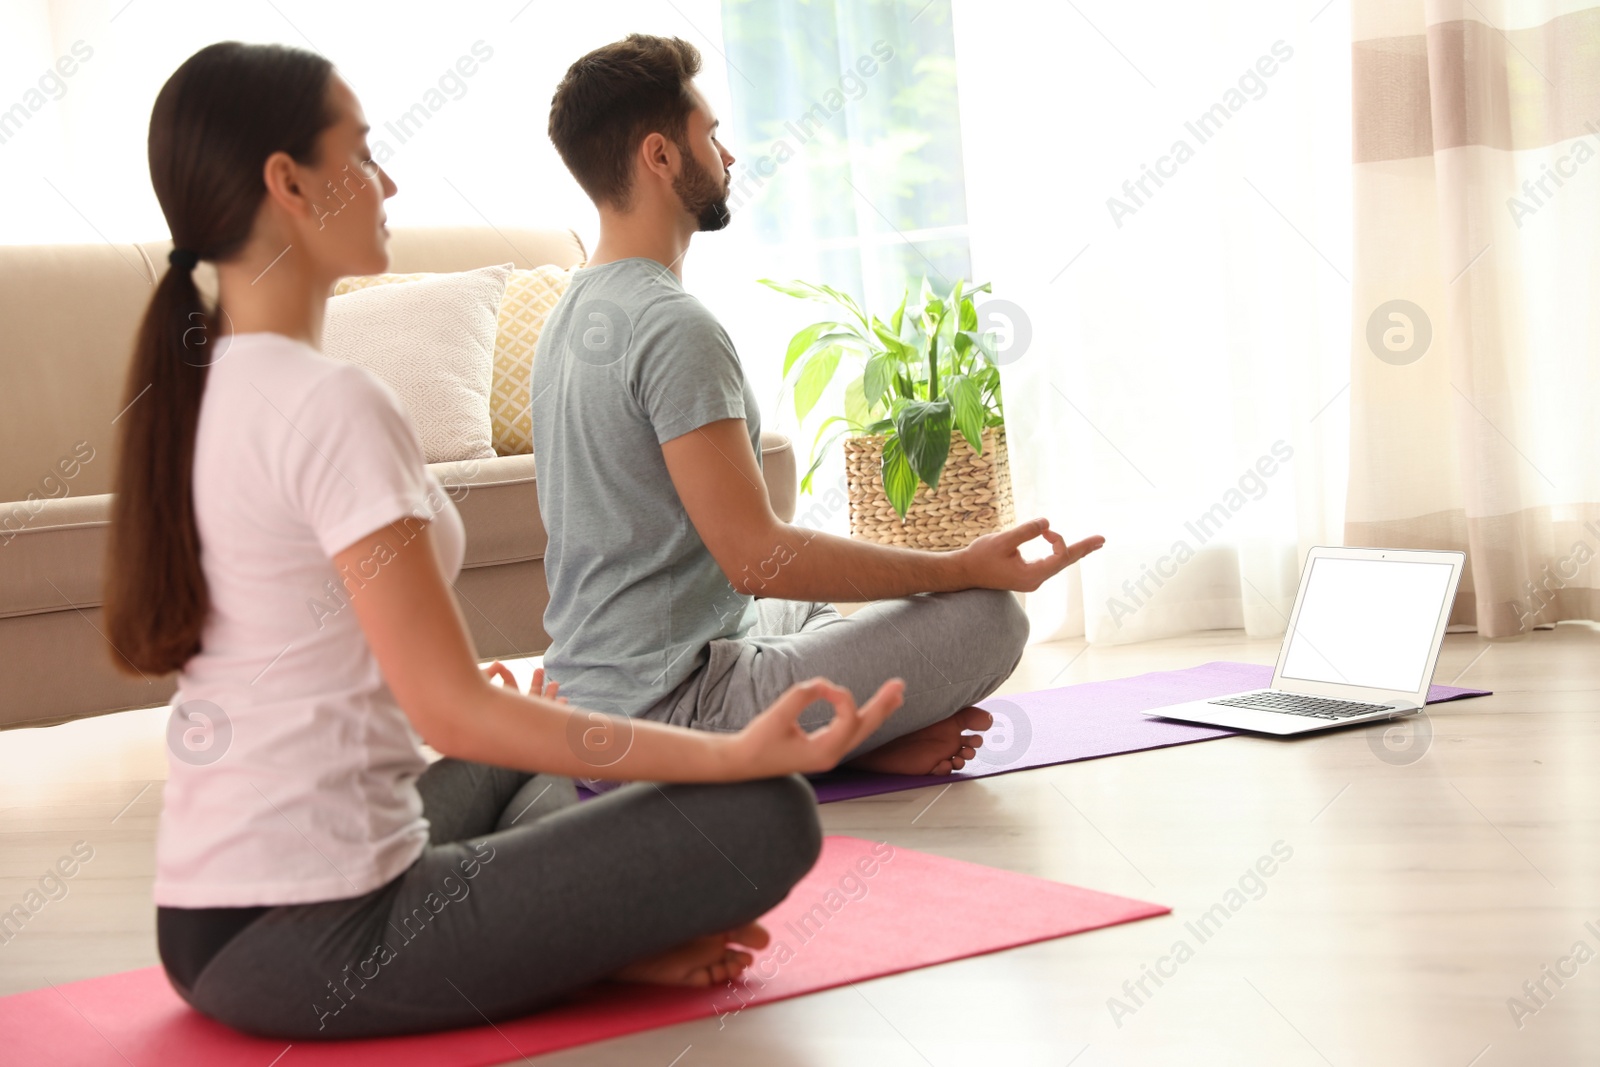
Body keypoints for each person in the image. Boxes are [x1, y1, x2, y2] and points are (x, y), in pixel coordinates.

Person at [104, 41, 902, 1041]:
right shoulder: (331, 403)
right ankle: (590, 940)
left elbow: (319, 653)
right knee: (766, 809)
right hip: (318, 938)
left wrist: (476, 711)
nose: (387, 182)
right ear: (289, 182)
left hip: (207, 914)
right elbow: (458, 710)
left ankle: (572, 924)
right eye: (362, 152)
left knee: (538, 725)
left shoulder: (203, 388)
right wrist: (728, 752)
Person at [534, 35, 1105, 778]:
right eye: (710, 133)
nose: (729, 156)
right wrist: (958, 565)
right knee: (992, 616)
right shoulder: (672, 325)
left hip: (590, 699)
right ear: (661, 157)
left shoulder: (566, 314)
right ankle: (819, 750)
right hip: (674, 718)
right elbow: (757, 558)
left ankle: (849, 739)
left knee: (805, 614)